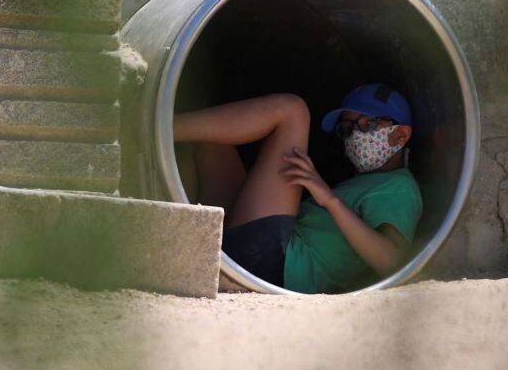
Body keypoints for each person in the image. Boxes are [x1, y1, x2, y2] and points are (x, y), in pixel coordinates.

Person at [173, 83, 423, 293]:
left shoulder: (399, 187)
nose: (355, 136)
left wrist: (329, 200)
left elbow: (392, 262)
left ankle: (156, 123)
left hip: (278, 267)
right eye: (347, 128)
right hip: (264, 252)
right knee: (209, 143)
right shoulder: (362, 182)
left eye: (367, 124)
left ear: (401, 135)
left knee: (293, 111)